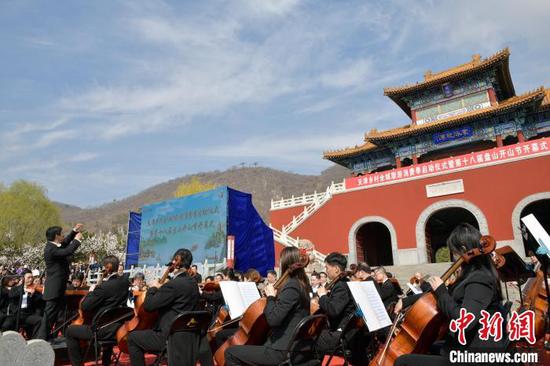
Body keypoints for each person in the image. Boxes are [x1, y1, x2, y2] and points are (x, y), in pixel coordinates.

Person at [393, 223, 507, 366]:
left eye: (454, 251)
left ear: (464, 249)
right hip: (461, 346)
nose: (453, 256)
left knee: (403, 362)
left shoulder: (480, 279)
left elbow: (465, 320)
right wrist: (407, 300)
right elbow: (440, 295)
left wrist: (441, 290)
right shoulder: (469, 276)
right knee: (424, 347)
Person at [224, 247, 311, 366]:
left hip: (281, 350)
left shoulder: (292, 286)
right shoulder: (302, 284)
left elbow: (273, 320)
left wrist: (270, 297)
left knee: (230, 353)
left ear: (286, 262)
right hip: (294, 345)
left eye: (280, 261)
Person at [128, 248, 200, 366]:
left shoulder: (173, 285)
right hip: (189, 336)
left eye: (174, 260)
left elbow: (149, 306)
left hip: (170, 337)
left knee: (132, 338)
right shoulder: (193, 284)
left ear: (177, 262)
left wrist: (153, 288)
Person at [65, 255, 129, 366]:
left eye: (104, 267)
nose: (102, 269)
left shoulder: (104, 287)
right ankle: (106, 362)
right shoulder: (125, 283)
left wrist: (91, 291)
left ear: (108, 267)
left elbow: (85, 306)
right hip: (119, 326)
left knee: (70, 331)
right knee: (109, 317)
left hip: (102, 330)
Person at [315, 253, 363, 363]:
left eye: (327, 267)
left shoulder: (341, 285)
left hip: (340, 334)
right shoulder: (344, 283)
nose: (326, 271)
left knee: (308, 340)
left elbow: (333, 311)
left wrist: (322, 296)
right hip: (344, 330)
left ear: (336, 269)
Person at [37, 224, 83, 340]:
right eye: (61, 234)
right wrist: (77, 240)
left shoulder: (54, 246)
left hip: (58, 287)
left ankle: (47, 336)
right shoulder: (50, 249)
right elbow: (67, 251)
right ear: (56, 236)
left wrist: (74, 231)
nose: (63, 235)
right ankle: (41, 339)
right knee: (49, 315)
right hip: (54, 288)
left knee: (55, 315)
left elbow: (65, 243)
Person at [4, 270, 43, 338]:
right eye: (28, 277)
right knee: (6, 325)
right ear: (23, 278)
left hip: (27, 314)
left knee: (40, 320)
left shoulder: (34, 289)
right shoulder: (15, 288)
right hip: (15, 314)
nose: (31, 279)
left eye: (32, 277)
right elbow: (11, 295)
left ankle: (34, 341)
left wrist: (33, 295)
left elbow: (40, 299)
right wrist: (23, 290)